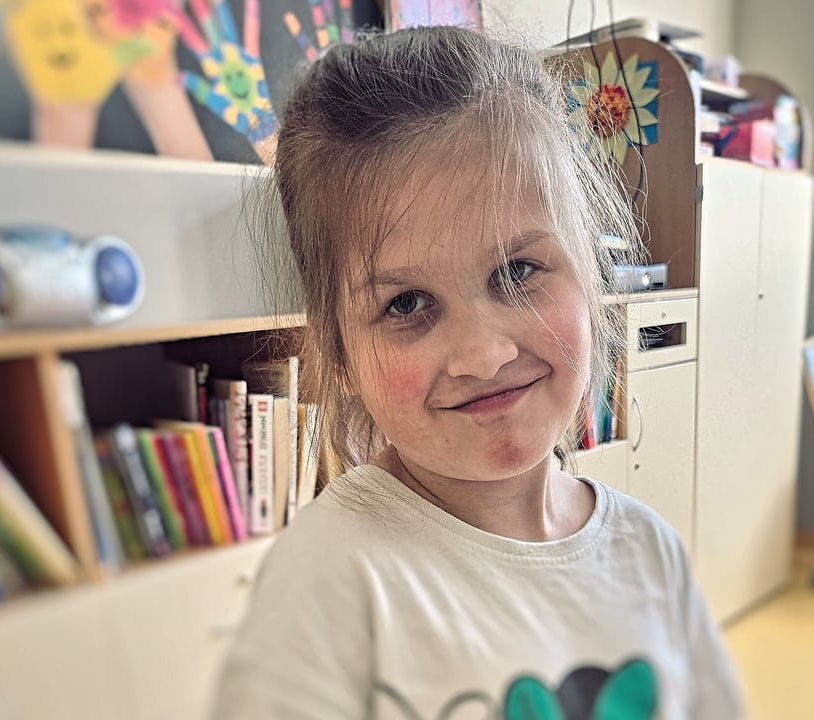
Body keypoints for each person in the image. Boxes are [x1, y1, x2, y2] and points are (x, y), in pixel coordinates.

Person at [212, 25, 743, 720]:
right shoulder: (328, 586)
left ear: (588, 274)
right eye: (407, 304)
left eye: (518, 271)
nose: (484, 355)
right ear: (339, 354)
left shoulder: (648, 553)